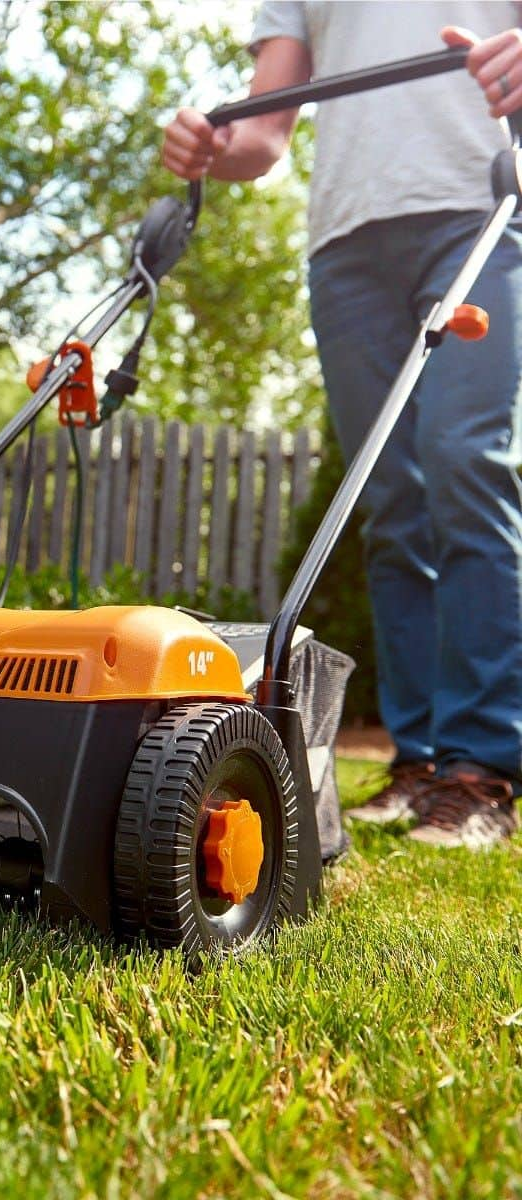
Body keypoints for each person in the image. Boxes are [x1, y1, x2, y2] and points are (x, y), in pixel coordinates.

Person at [162, 2, 522, 848]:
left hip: (479, 209)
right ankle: (419, 760)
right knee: (393, 499)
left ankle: (480, 771)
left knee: (464, 461)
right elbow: (266, 132)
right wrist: (215, 144)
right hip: (347, 244)